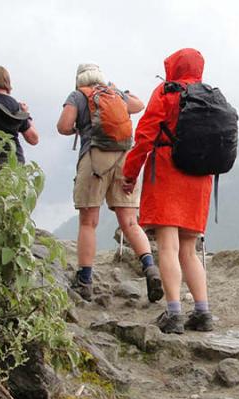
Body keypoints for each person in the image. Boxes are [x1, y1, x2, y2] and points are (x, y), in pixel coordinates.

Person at [122, 48, 214, 334]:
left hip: (167, 171)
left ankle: (174, 313)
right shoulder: (208, 96)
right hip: (200, 178)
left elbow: (146, 135)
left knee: (168, 246)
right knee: (189, 249)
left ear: (173, 67)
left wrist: (129, 174)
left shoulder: (166, 92)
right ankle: (202, 312)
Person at [57, 63, 161, 303]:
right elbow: (138, 105)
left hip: (94, 159)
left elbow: (63, 126)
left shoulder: (78, 95)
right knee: (130, 222)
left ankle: (84, 280)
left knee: (88, 221)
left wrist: (79, 127)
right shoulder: (113, 93)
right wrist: (117, 90)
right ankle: (150, 268)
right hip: (125, 159)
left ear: (79, 79)